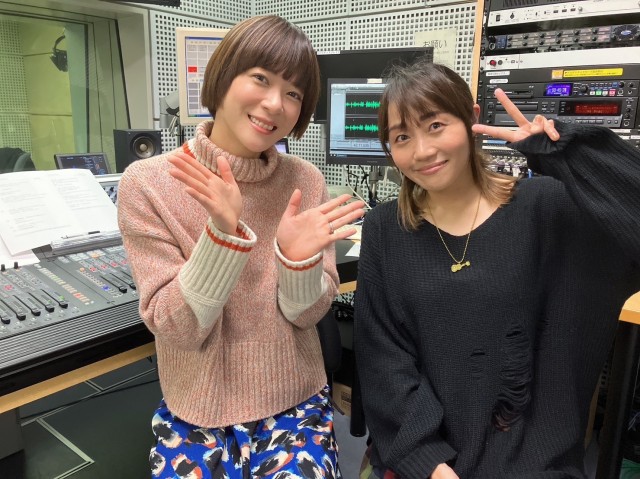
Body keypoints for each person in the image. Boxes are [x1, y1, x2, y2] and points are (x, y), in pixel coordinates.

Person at [353, 59, 640, 479]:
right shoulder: (385, 228)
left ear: (471, 119)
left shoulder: (546, 207)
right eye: (402, 137)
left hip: (534, 465)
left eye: (435, 125)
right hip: (429, 462)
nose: (422, 151)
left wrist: (567, 154)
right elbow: (384, 359)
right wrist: (428, 462)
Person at [117, 15, 364, 479]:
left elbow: (308, 315)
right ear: (223, 77)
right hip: (197, 409)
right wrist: (222, 235)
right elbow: (176, 328)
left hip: (296, 401)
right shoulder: (147, 184)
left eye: (294, 93)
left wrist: (297, 261)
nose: (275, 104)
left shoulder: (305, 180)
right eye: (261, 78)